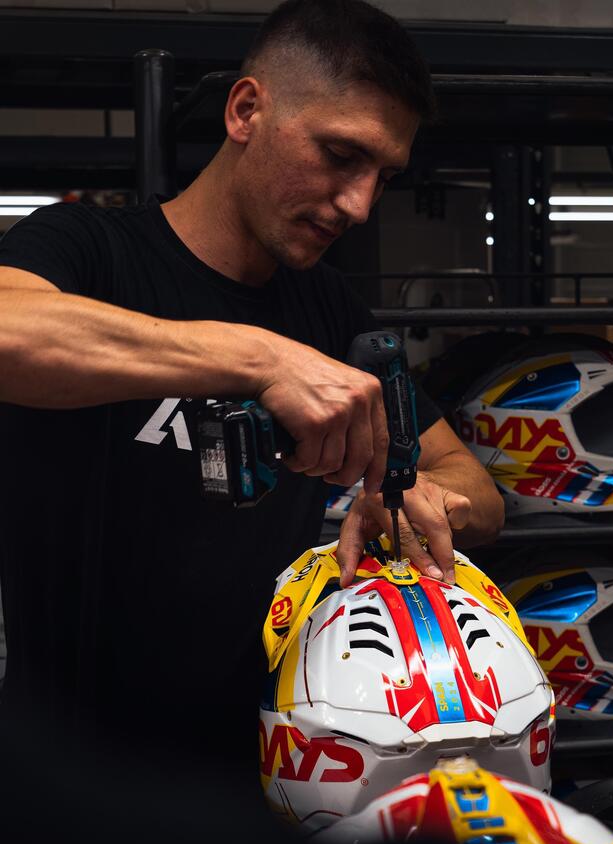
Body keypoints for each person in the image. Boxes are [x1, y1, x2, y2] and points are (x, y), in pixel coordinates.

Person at [0, 0, 503, 773]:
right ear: (245, 111)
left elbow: (478, 490)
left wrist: (422, 498)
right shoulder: (89, 250)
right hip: (73, 787)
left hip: (269, 781)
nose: (359, 204)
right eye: (340, 154)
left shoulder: (328, 309)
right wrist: (261, 359)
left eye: (382, 176)